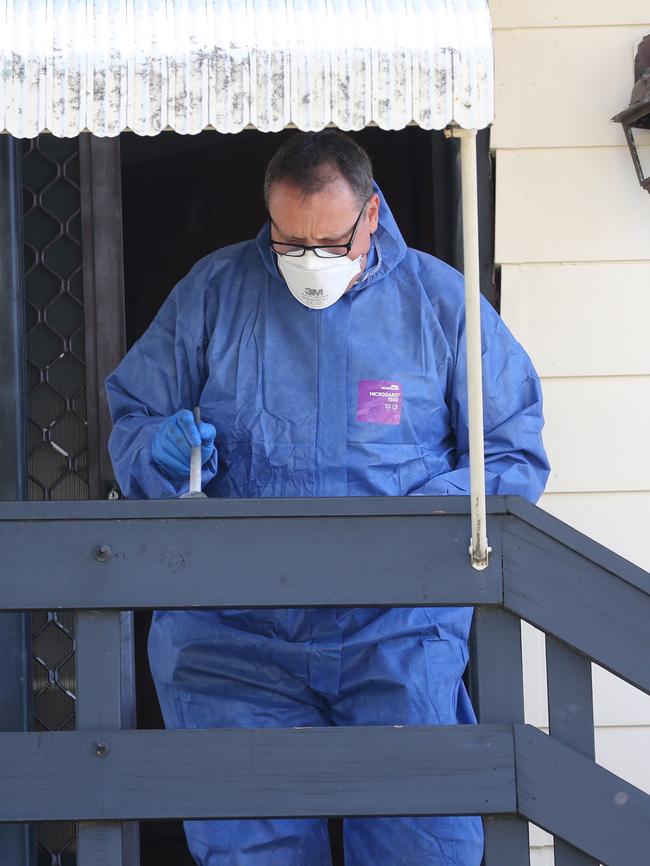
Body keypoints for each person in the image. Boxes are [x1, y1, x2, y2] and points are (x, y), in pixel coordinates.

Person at [106, 130, 550, 866]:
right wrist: (156, 447)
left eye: (331, 241)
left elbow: (510, 448)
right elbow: (133, 420)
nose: (309, 261)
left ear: (372, 214)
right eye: (288, 242)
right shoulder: (215, 293)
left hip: (396, 631)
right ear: (268, 222)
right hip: (234, 640)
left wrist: (412, 521)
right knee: (252, 849)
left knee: (423, 844)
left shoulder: (439, 304)